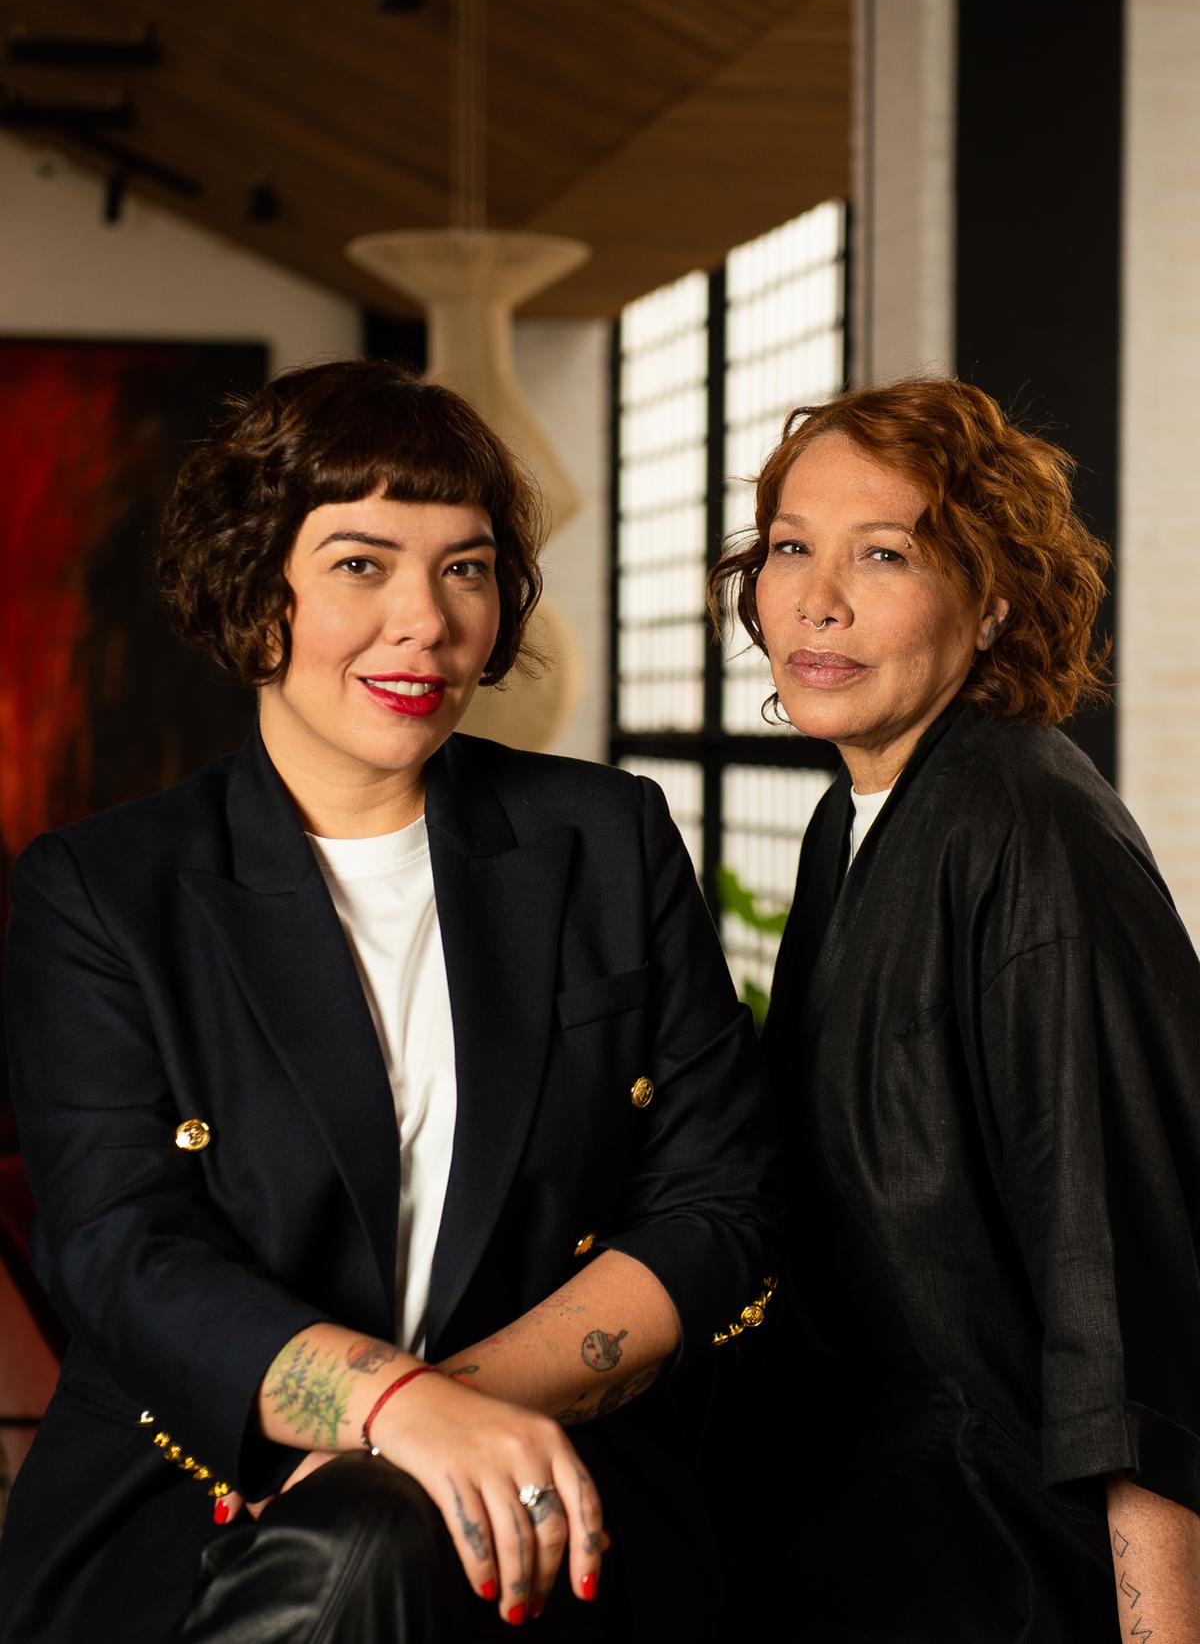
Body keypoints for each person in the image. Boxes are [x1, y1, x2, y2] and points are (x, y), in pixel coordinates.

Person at [0, 360, 777, 1644]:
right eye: (362, 563)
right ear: (258, 592)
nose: (425, 621)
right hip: (203, 1494)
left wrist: (426, 1420)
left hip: (550, 1499)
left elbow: (722, 1200)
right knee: (354, 1546)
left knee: (375, 1524)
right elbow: (120, 1247)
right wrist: (385, 1417)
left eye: (464, 567)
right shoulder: (105, 888)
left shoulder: (605, 838)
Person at [707, 376, 1200, 1642]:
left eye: (885, 553)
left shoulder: (1028, 825)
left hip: (1016, 1571)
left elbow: (1130, 1288)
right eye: (790, 549)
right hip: (866, 1540)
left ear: (990, 600)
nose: (820, 598)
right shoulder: (853, 819)